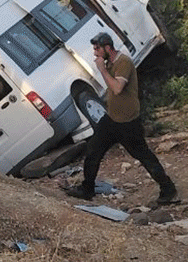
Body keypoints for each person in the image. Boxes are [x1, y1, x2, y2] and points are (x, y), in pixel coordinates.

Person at [66, 32, 179, 205]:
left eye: (97, 49)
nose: (95, 53)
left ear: (108, 48)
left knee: (143, 155)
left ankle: (168, 188)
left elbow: (118, 88)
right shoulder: (110, 63)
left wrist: (102, 70)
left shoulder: (123, 62)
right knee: (93, 151)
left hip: (127, 122)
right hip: (112, 119)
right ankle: (87, 189)